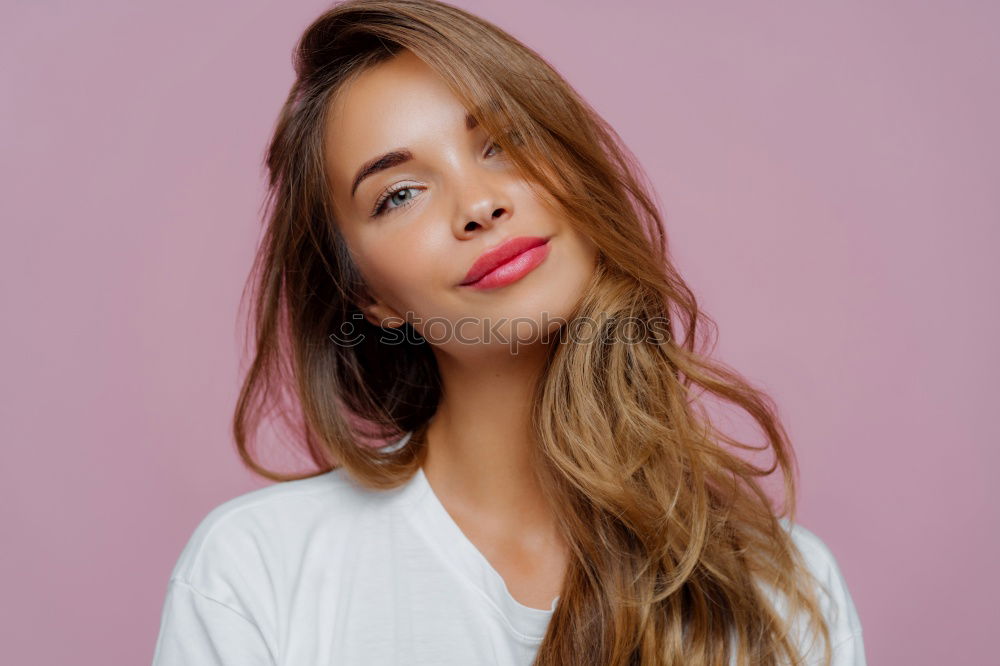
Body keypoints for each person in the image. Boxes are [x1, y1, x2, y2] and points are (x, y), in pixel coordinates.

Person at [152, 1, 866, 664]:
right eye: (399, 193)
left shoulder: (785, 588)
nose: (480, 205)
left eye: (503, 144)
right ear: (369, 297)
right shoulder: (252, 573)